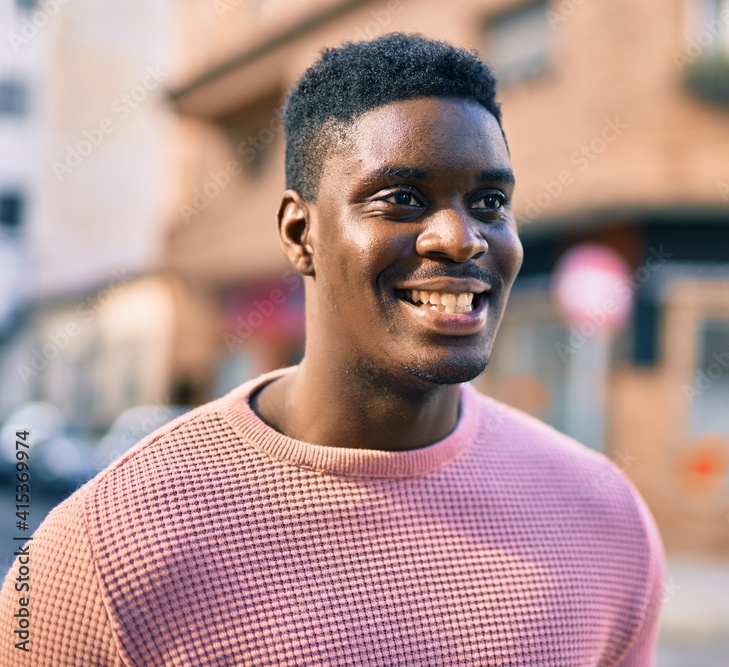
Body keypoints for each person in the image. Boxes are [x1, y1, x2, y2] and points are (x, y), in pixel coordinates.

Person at [0, 33, 665, 665]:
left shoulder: (604, 517)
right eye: (402, 198)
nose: (461, 238)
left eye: (490, 200)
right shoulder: (104, 545)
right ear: (300, 232)